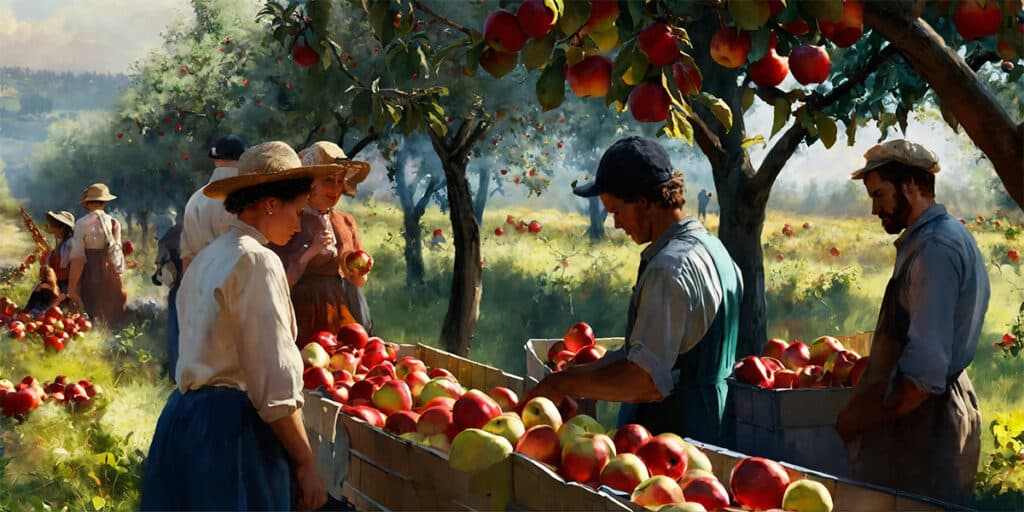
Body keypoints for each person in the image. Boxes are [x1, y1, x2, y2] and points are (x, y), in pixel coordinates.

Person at [141, 141, 339, 511]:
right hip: (232, 437)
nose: (298, 226)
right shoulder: (257, 262)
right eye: (296, 211)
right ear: (270, 203)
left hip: (183, 424)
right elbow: (272, 381)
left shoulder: (208, 258)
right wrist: (305, 462)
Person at [520, 137, 743, 445]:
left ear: (642, 201)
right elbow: (657, 355)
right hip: (713, 429)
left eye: (617, 211)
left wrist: (563, 384)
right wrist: (584, 373)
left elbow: (647, 380)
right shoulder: (714, 251)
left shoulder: (669, 269)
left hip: (671, 440)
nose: (616, 224)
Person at [835, 140, 989, 505]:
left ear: (910, 186)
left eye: (879, 195)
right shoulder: (939, 237)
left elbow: (922, 379)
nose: (874, 209)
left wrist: (859, 420)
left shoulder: (935, 250)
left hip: (926, 424)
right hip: (930, 413)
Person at [269, 141, 372, 345]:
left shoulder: (345, 221)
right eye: (328, 180)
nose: (335, 188)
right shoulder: (290, 220)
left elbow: (357, 281)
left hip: (342, 309)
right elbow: (278, 280)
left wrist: (360, 271)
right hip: (303, 310)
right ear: (310, 184)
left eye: (339, 180)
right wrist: (311, 251)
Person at [179, 134, 249, 271]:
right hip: (246, 281)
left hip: (204, 283)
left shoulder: (196, 200)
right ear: (244, 158)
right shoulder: (255, 196)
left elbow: (188, 259)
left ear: (216, 161)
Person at [67, 183, 126, 324]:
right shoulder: (114, 223)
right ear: (105, 203)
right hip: (109, 271)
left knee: (90, 313)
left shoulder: (81, 224)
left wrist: (72, 287)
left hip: (90, 272)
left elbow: (78, 258)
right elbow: (117, 253)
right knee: (110, 314)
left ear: (86, 204)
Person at [152, 222, 184, 381]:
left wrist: (158, 274)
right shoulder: (199, 233)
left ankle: (176, 376)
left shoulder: (166, 240)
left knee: (176, 334)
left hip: (178, 292)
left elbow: (159, 274)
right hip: (199, 291)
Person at [41, 210, 75, 294]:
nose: (52, 229)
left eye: (55, 226)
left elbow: (64, 270)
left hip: (65, 285)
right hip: (59, 282)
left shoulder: (69, 244)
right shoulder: (62, 242)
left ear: (63, 228)